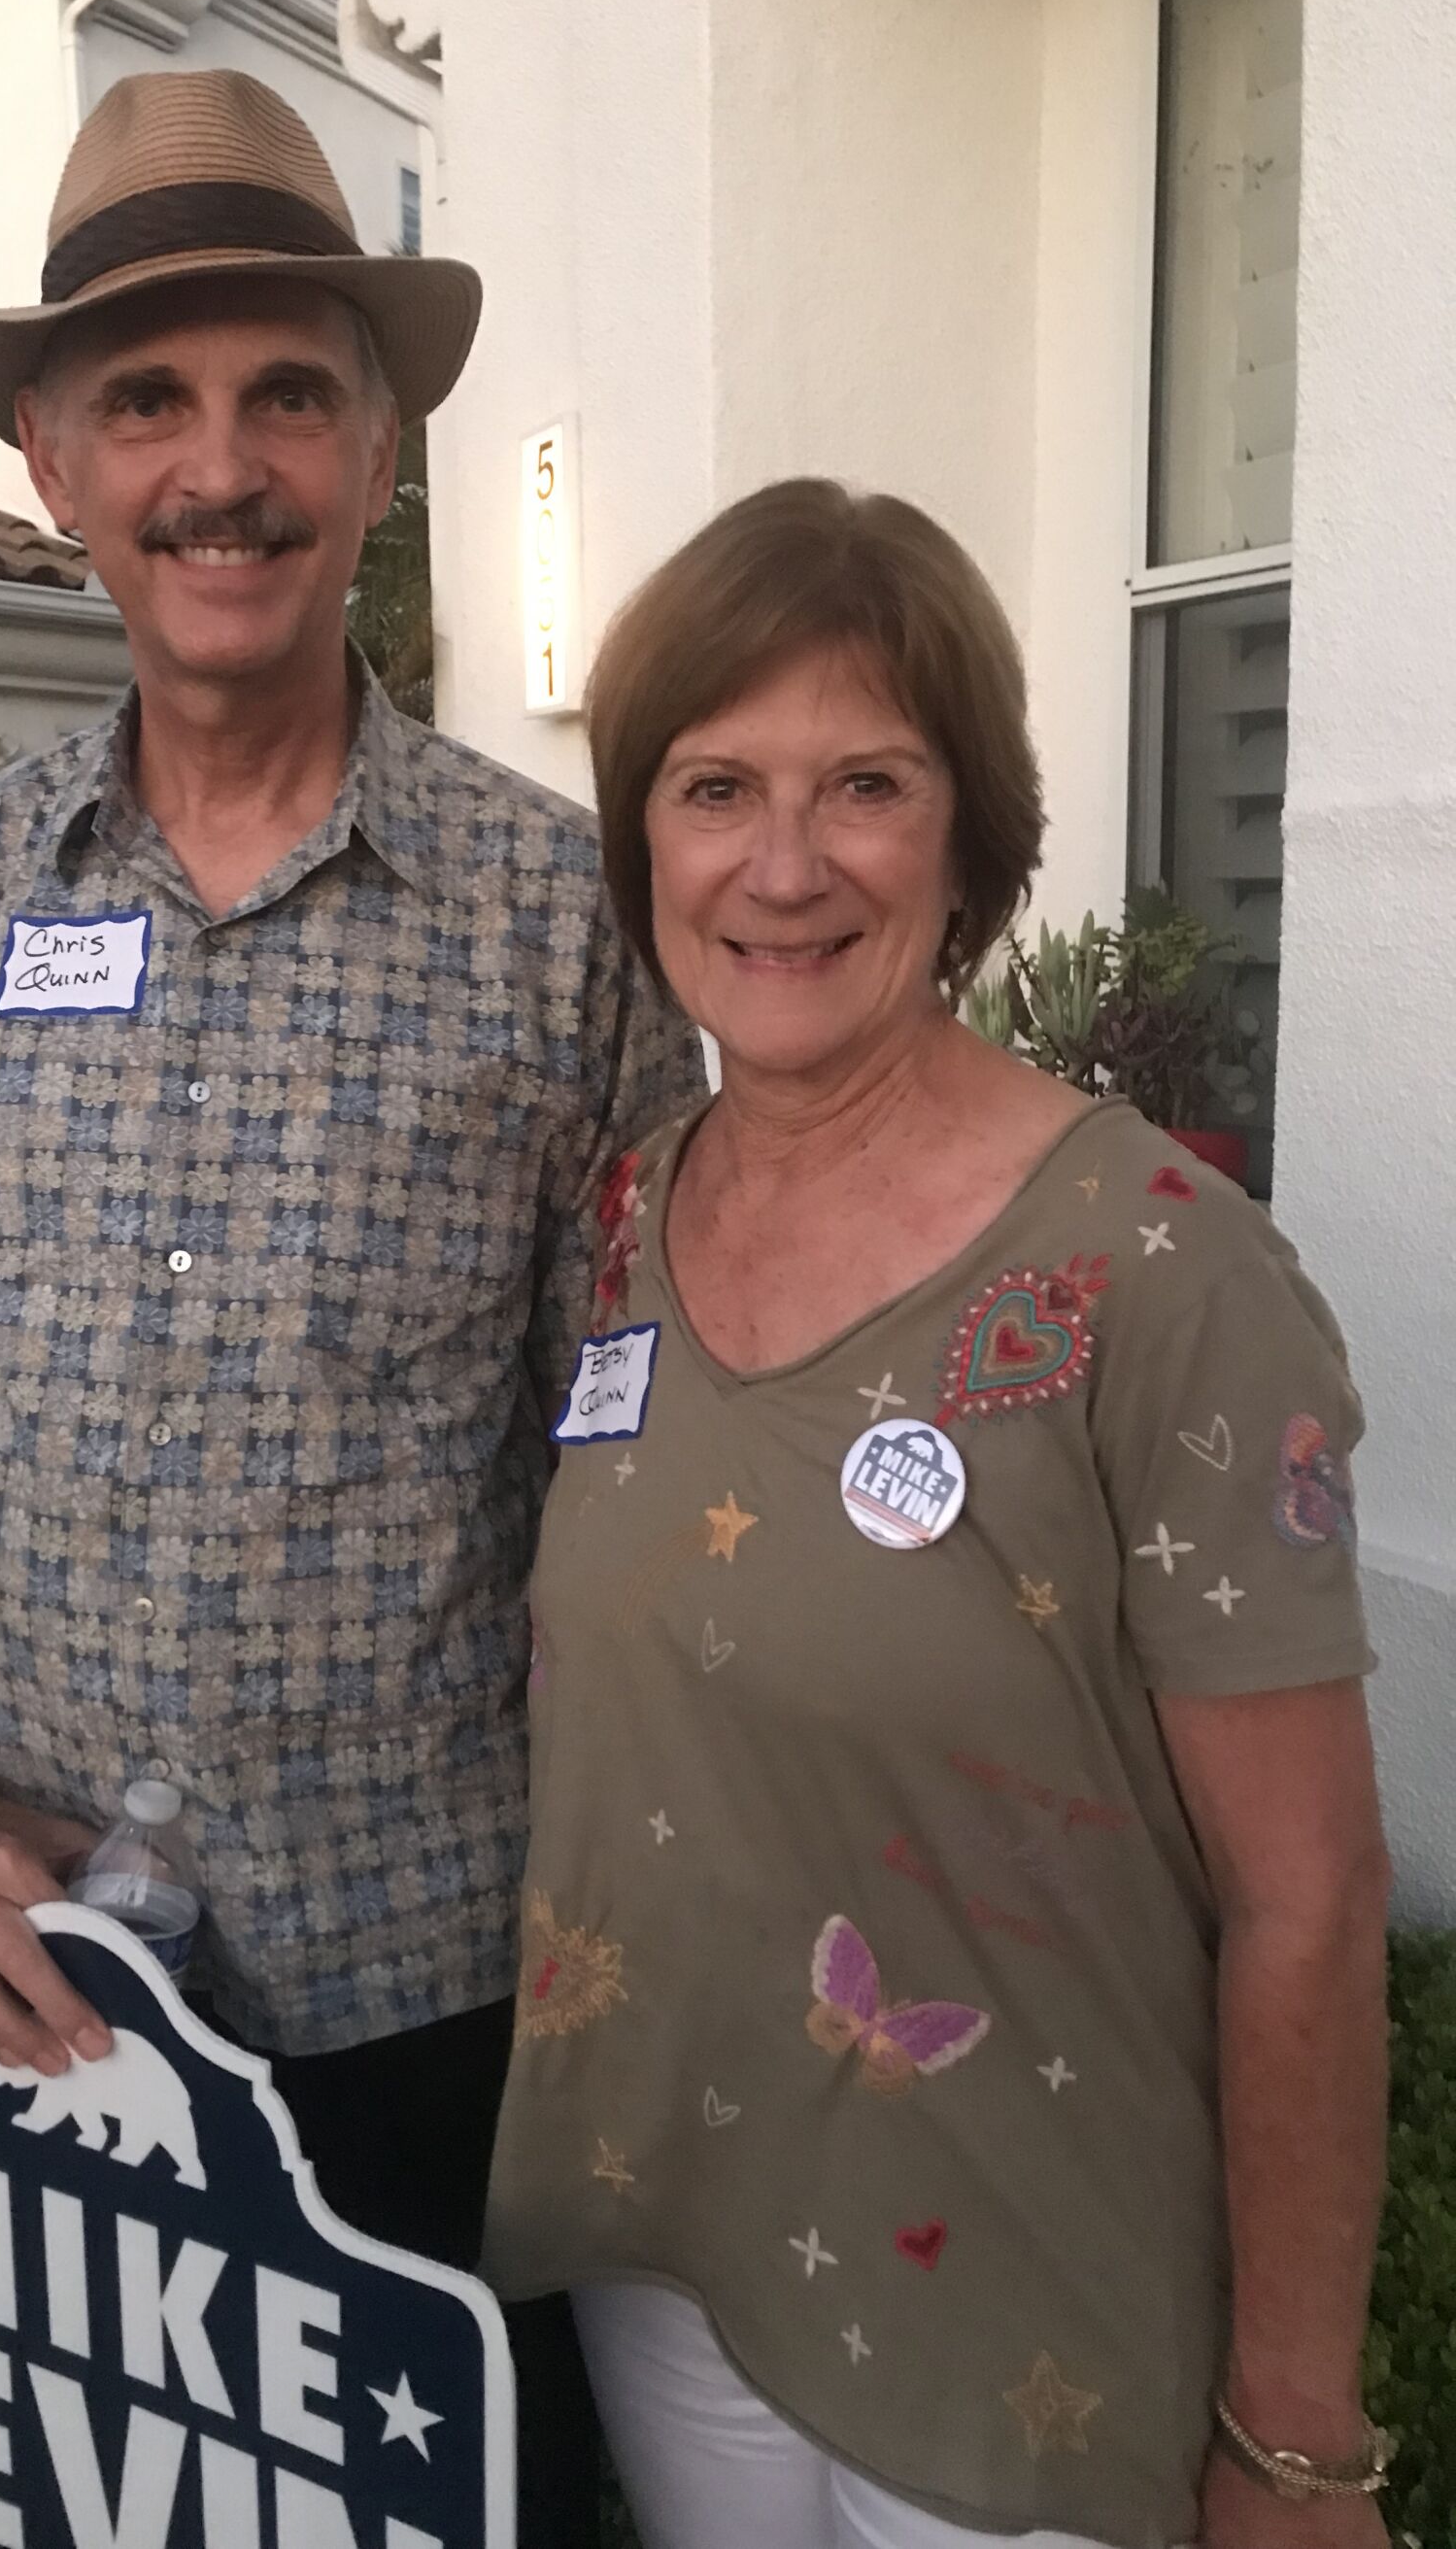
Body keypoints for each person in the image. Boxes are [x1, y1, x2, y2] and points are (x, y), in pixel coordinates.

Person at [0, 68, 702, 2539]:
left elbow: (669, 1431)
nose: (219, 466)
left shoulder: (563, 920)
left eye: (288, 393)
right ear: (53, 460)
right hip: (36, 1988)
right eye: (146, 397)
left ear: (381, 452)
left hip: (443, 1994)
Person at [483, 479, 1394, 2549]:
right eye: (715, 785)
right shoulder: (626, 1208)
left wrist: (1294, 2432)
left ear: (969, 835)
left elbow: (1311, 1902)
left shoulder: (1160, 1270)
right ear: (642, 840)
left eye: (864, 784)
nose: (781, 864)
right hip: (679, 2237)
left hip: (1024, 2296)